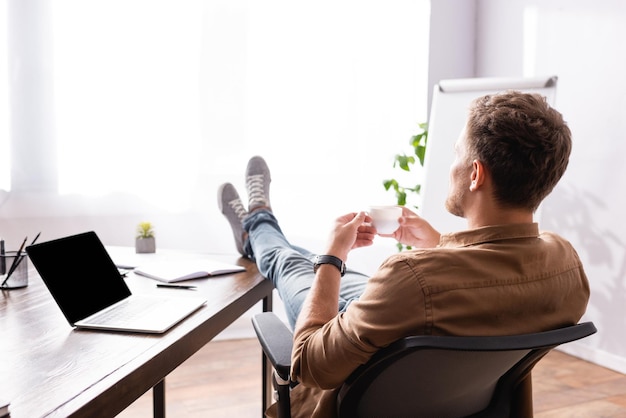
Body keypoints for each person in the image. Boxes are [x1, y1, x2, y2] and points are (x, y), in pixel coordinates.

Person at [217, 91, 590, 418]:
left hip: (364, 370)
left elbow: (311, 365)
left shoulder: (409, 277)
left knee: (291, 263)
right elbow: (494, 284)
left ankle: (258, 223)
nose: (452, 165)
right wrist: (437, 242)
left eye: (456, 153)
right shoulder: (567, 268)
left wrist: (332, 256)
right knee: (298, 258)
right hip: (447, 379)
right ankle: (258, 224)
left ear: (475, 174)